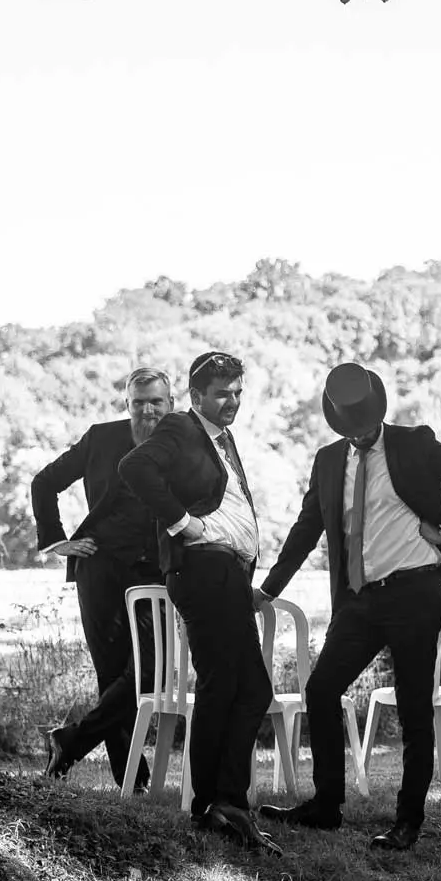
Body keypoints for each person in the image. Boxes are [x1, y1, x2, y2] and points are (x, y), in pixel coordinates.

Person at [254, 362, 441, 852]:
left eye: (365, 425)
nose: (360, 434)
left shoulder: (415, 445)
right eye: (350, 427)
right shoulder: (327, 462)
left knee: (412, 711)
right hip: (360, 602)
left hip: (415, 593)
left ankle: (407, 822)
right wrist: (268, 587)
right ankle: (326, 808)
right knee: (321, 691)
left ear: (378, 414)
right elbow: (306, 531)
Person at [118, 351, 278, 854]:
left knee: (237, 687)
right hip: (204, 570)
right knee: (237, 686)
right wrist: (180, 522)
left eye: (237, 392)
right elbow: (135, 467)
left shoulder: (220, 439)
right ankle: (219, 802)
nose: (231, 402)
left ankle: (217, 803)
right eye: (221, 394)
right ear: (196, 396)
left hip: (225, 574)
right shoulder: (182, 429)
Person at [32, 367, 172, 787]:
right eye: (139, 402)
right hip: (100, 568)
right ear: (126, 403)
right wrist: (57, 542)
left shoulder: (181, 442)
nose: (147, 409)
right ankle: (131, 778)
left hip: (155, 573)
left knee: (152, 670)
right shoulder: (101, 438)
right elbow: (44, 483)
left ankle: (70, 742)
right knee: (110, 674)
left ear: (171, 403)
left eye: (156, 402)